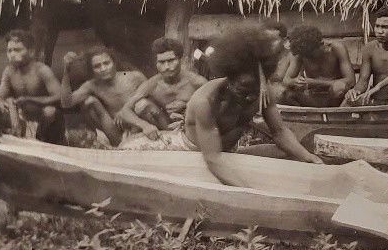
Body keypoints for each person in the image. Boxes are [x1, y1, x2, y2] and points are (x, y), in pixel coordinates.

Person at [183, 26, 322, 169]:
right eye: (244, 89)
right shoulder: (206, 100)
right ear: (230, 79)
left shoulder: (262, 90)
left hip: (229, 155)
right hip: (197, 156)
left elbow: (279, 131)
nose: (250, 97)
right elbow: (212, 159)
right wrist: (246, 189)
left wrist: (308, 157)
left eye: (255, 90)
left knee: (291, 151)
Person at [0, 30, 67, 144]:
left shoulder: (42, 70)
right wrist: (7, 105)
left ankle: (40, 140)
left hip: (47, 122)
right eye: (9, 51)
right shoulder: (9, 71)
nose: (12, 54)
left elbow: (60, 97)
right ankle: (7, 139)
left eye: (18, 50)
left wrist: (30, 99)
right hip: (23, 118)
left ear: (31, 51)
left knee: (50, 111)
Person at [117, 37, 208, 138]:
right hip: (162, 127)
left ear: (181, 59)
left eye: (171, 60)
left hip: (190, 130)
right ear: (156, 63)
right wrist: (145, 126)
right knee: (142, 105)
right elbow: (125, 110)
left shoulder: (197, 82)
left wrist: (188, 105)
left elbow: (215, 107)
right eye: (161, 62)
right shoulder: (152, 84)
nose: (167, 66)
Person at [60, 47, 145, 146]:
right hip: (118, 131)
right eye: (97, 66)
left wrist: (128, 112)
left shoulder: (134, 77)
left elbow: (152, 100)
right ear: (92, 70)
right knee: (90, 102)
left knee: (142, 104)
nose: (103, 69)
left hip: (141, 125)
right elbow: (67, 103)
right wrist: (66, 70)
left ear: (114, 63)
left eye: (106, 63)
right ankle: (118, 145)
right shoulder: (92, 85)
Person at [281, 25, 355, 107]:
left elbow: (351, 81)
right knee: (282, 92)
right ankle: (304, 115)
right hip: (312, 97)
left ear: (321, 44)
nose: (309, 57)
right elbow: (286, 80)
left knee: (339, 87)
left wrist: (315, 82)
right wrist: (295, 82)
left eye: (311, 54)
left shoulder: (336, 48)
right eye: (306, 55)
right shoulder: (301, 53)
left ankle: (333, 114)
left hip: (334, 98)